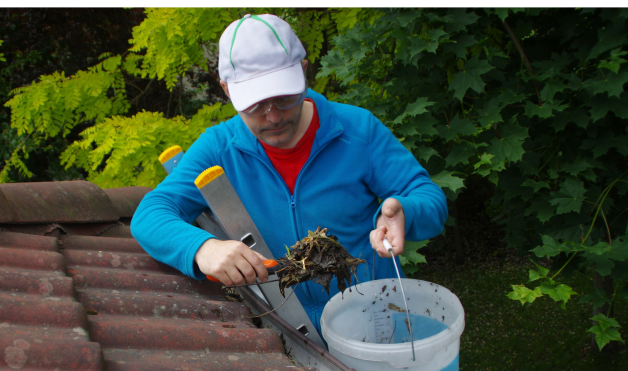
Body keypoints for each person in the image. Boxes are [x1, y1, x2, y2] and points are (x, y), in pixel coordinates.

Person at [131, 14, 447, 334]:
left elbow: (428, 196)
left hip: (377, 316)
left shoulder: (358, 130)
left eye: (284, 97)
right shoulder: (218, 149)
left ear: (303, 72)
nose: (273, 116)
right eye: (255, 105)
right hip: (290, 331)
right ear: (227, 91)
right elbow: (151, 213)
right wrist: (203, 249)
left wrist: (406, 211)